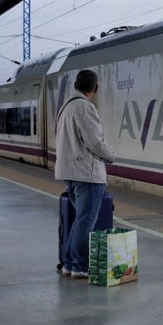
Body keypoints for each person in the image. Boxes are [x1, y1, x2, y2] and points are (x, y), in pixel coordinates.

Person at [53, 69, 118, 279]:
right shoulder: (84, 107)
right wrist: (111, 156)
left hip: (70, 171)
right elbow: (95, 142)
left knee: (79, 220)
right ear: (95, 89)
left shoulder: (66, 107)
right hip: (87, 173)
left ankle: (70, 264)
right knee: (85, 221)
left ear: (75, 86)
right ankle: (79, 266)